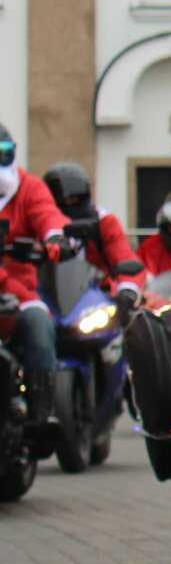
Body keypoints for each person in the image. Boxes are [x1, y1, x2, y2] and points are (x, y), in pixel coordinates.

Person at [0, 125, 71, 428]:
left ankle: (42, 414)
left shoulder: (29, 187)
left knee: (40, 326)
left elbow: (47, 215)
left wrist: (55, 237)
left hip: (20, 294)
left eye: (4, 153)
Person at [39, 164, 144, 308]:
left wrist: (127, 289)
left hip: (97, 293)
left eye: (74, 199)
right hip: (46, 294)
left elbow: (123, 255)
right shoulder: (39, 223)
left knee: (131, 318)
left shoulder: (104, 221)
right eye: (60, 200)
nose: (67, 203)